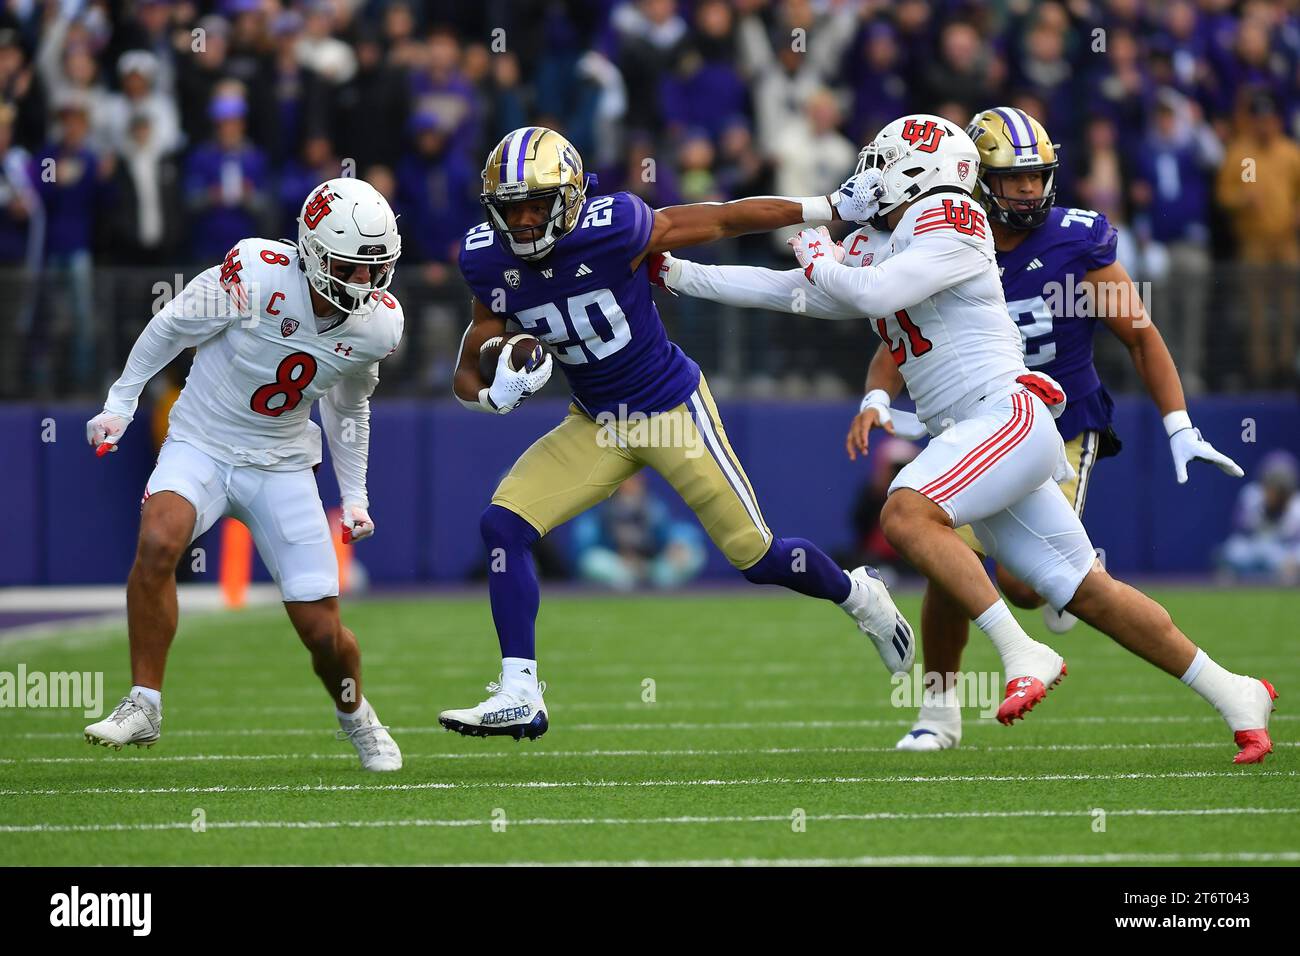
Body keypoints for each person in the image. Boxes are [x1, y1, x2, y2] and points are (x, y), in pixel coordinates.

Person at [650, 113, 1277, 763]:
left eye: (882, 166)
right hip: (979, 430)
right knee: (1087, 590)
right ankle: (1234, 692)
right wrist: (680, 276)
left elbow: (871, 292)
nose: (867, 179)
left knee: (906, 511)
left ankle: (1020, 649)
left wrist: (812, 243)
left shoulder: (952, 217)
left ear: (921, 175)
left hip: (1005, 415)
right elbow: (799, 295)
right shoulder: (879, 238)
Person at [439, 126, 914, 741]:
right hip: (597, 424)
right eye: (512, 209)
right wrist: (494, 397)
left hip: (670, 410)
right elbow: (465, 370)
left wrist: (827, 209)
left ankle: (861, 596)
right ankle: (521, 692)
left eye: (537, 205)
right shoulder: (486, 257)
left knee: (760, 557)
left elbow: (719, 221)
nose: (525, 221)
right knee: (502, 526)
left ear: (570, 199)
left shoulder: (614, 227)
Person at [82, 178, 405, 772]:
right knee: (158, 541)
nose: (364, 283)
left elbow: (349, 406)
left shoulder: (378, 325)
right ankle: (145, 701)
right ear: (310, 250)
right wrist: (121, 403)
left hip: (281, 464)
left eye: (373, 268)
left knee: (321, 633)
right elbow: (172, 326)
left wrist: (355, 496)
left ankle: (358, 717)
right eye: (350, 267)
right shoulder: (255, 273)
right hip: (201, 441)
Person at [573, 473, 707, 590]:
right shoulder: (604, 509)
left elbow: (675, 531)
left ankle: (661, 591)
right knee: (593, 562)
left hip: (651, 566)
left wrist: (677, 544)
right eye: (625, 482)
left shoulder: (653, 507)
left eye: (633, 481)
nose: (630, 486)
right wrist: (620, 555)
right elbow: (585, 542)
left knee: (692, 555)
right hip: (620, 566)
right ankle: (626, 591)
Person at [1219, 451, 1300, 584]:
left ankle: (1288, 585)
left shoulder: (1297, 505)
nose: (1274, 491)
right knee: (1233, 550)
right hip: (1252, 549)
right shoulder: (1251, 496)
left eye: (1280, 486)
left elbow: (1295, 543)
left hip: (1280, 553)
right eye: (1272, 484)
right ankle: (1228, 586)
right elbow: (1239, 532)